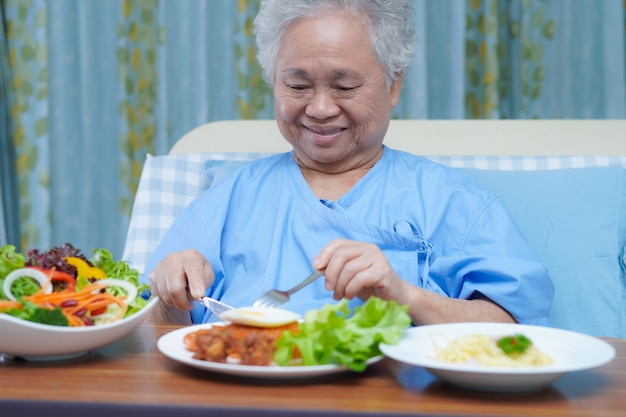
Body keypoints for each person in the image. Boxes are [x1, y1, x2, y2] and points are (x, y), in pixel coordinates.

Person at [142, 0, 554, 325]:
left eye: (345, 86)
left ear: (394, 85)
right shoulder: (224, 204)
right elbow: (155, 336)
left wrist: (406, 295)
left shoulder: (454, 202)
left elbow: (515, 329)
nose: (320, 108)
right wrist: (170, 295)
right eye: (298, 85)